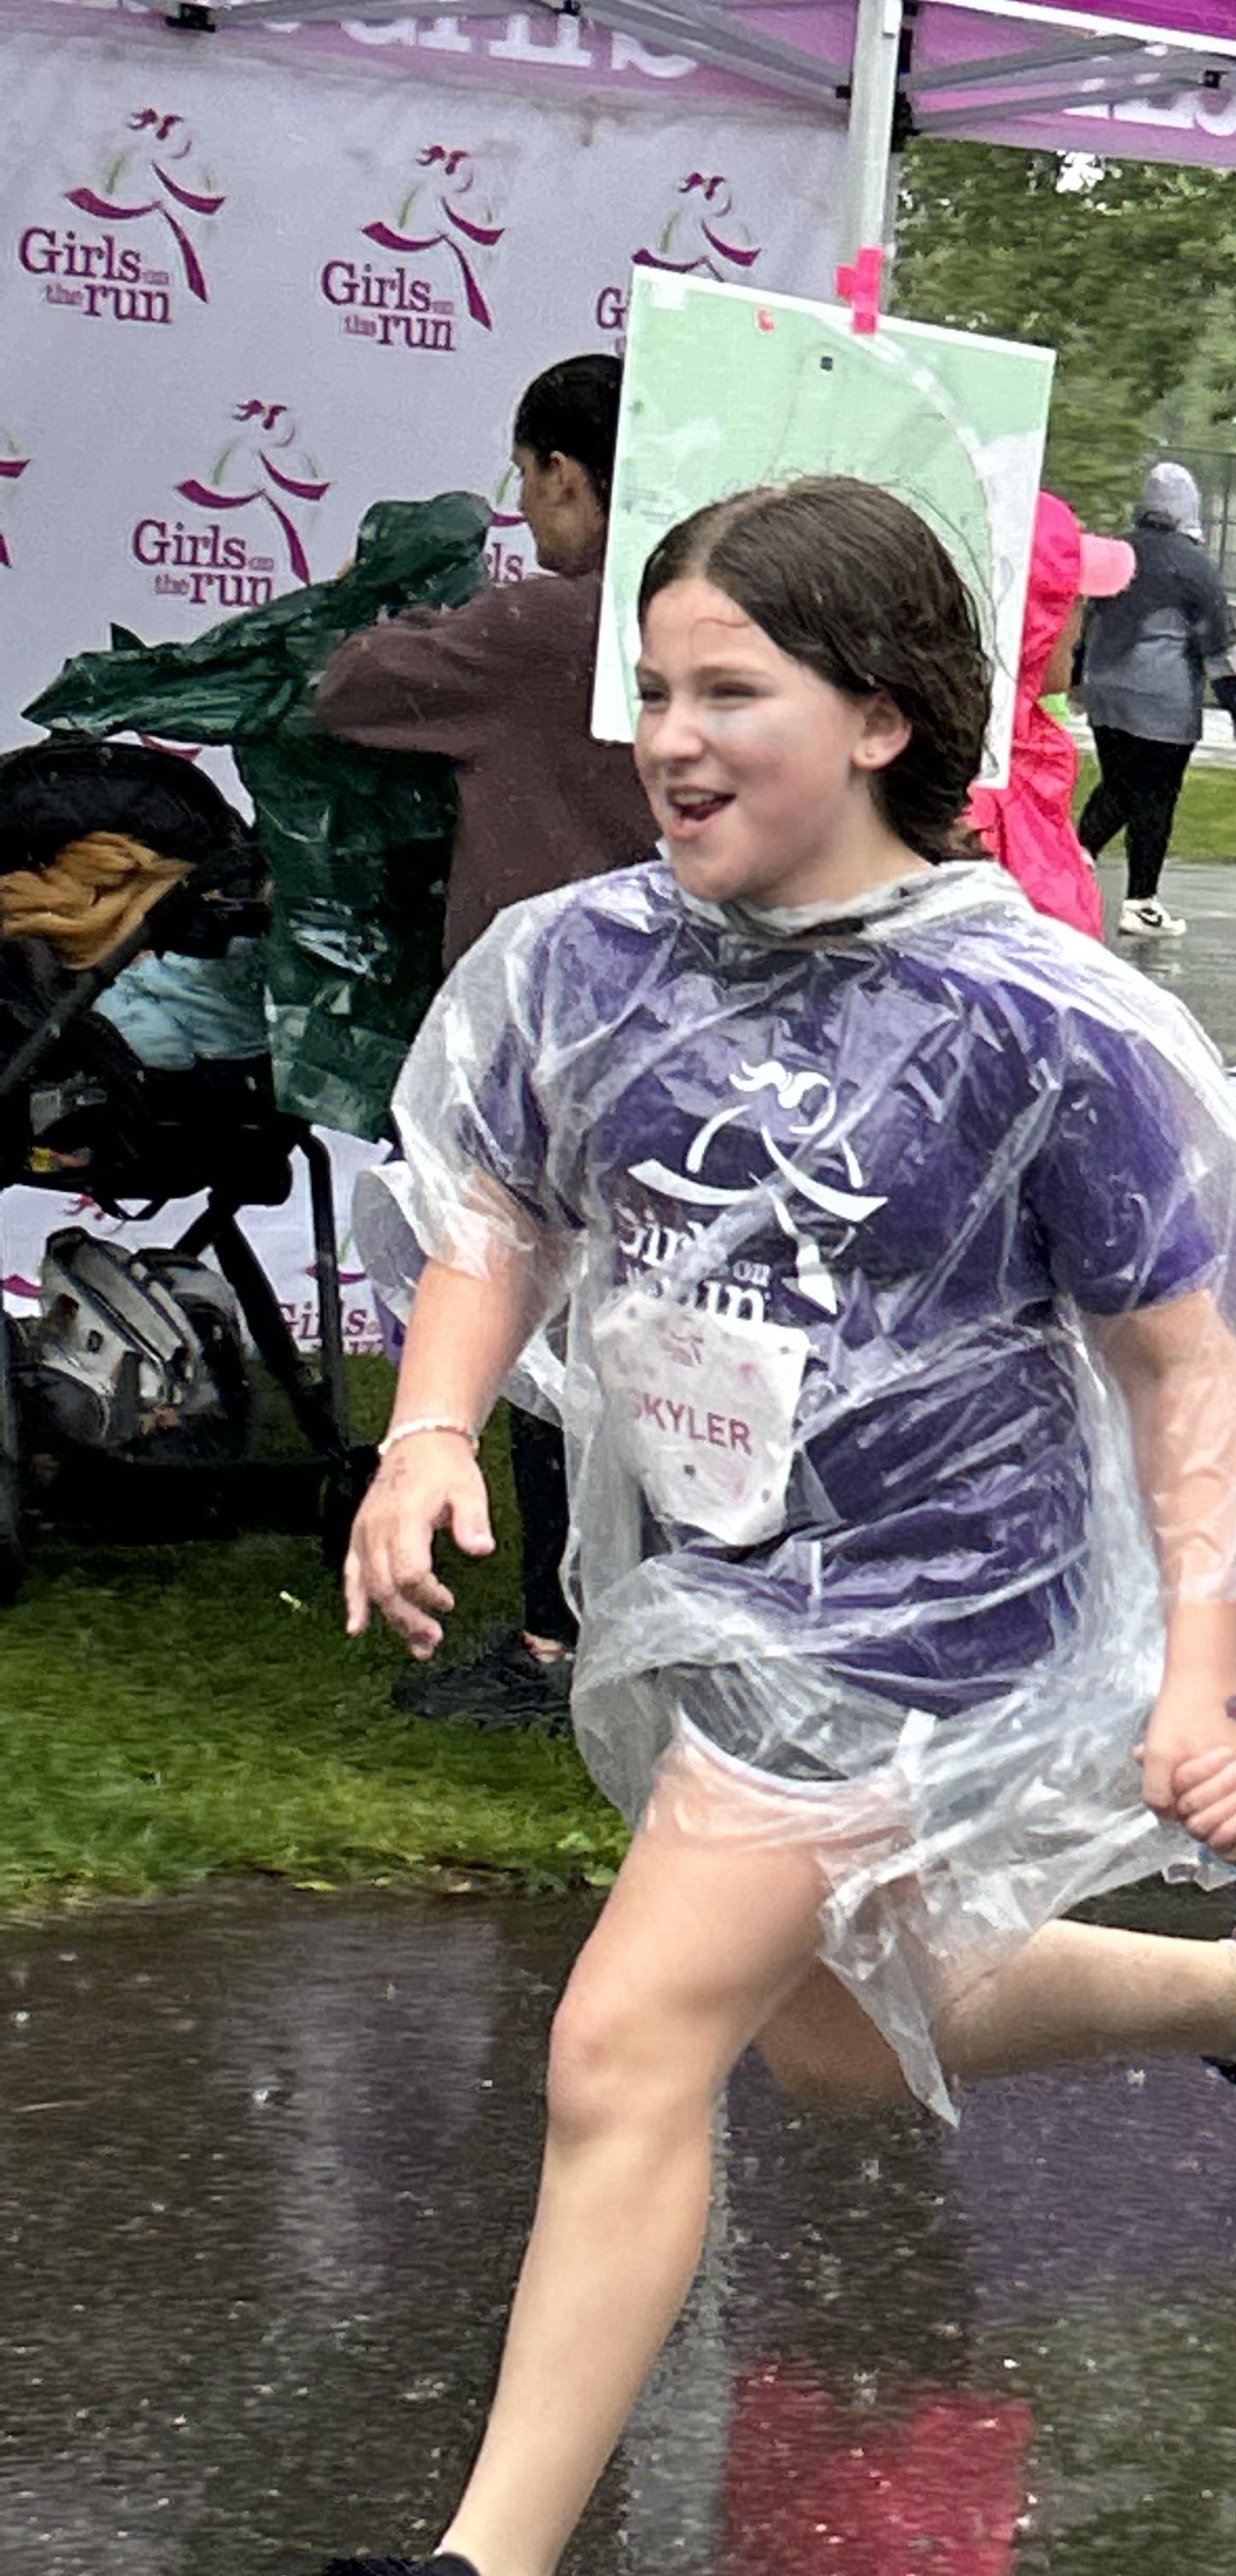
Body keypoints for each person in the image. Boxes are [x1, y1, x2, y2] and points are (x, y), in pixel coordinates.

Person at [225, 476, 1236, 2576]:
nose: (670, 739)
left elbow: (1186, 1357)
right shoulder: (584, 962)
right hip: (716, 1591)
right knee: (838, 2034)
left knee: (628, 2045)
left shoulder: (1041, 1025)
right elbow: (496, 1209)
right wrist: (433, 1434)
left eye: (734, 692)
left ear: (889, 720)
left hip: (929, 1618)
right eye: (656, 689)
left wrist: (1203, 1670)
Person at [317, 353, 661, 1732]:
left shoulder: (534, 628)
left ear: (567, 478)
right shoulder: (732, 620)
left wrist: (428, 610)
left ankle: (554, 1637)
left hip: (550, 1039)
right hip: (698, 1029)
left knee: (540, 1329)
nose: (524, 509)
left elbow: (353, 688)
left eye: (530, 482)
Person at [1074, 461, 1236, 942]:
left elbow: (1086, 622)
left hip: (1104, 691)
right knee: (1154, 796)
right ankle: (1141, 900)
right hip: (1163, 699)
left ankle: (1072, 858)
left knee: (1119, 784)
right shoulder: (1192, 565)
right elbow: (1217, 642)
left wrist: (1077, 678)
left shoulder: (1117, 552)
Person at [968, 490, 1134, 938]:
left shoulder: (1024, 751)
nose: (1081, 623)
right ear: (1031, 610)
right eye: (1072, 599)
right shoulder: (972, 782)